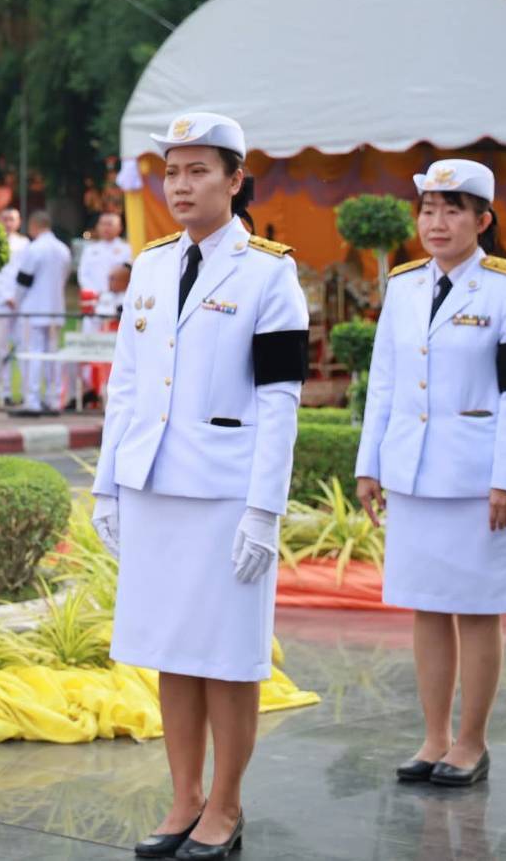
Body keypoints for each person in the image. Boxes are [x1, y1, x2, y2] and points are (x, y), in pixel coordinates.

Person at [91, 112, 308, 859]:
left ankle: (226, 804)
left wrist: (264, 511)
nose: (180, 186)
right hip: (154, 485)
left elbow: (280, 402)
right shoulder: (150, 266)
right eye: (171, 172)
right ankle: (184, 797)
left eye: (198, 171)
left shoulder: (270, 273)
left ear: (235, 179)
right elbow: (125, 385)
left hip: (224, 496)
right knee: (171, 648)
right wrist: (108, 485)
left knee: (228, 654)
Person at [355, 158, 506, 790]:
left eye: (452, 210)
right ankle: (434, 737)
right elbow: (382, 382)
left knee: (477, 607)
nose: (435, 223)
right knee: (428, 607)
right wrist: (370, 465)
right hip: (411, 471)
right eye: (428, 210)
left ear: (483, 220)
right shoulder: (405, 285)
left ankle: (471, 741)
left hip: (475, 477)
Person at [8, 210, 73, 416]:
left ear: (34, 226)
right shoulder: (63, 249)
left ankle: (33, 400)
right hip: (55, 309)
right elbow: (64, 276)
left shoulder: (34, 248)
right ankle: (53, 400)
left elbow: (23, 280)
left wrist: (16, 301)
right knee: (52, 355)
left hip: (33, 309)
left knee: (32, 354)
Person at [77, 211, 133, 402]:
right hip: (96, 303)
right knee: (90, 345)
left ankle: (111, 389)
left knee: (115, 347)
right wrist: (94, 295)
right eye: (103, 223)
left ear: (119, 227)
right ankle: (90, 388)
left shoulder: (127, 249)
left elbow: (128, 276)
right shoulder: (90, 249)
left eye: (111, 223)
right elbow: (83, 275)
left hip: (118, 304)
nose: (106, 228)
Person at [0, 207, 30, 404]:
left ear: (18, 222)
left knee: (23, 348)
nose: (8, 223)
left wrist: (17, 297)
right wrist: (7, 296)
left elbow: (27, 272)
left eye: (12, 219)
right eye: (5, 219)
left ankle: (27, 393)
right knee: (0, 349)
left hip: (21, 303)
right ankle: (4, 393)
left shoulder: (25, 244)